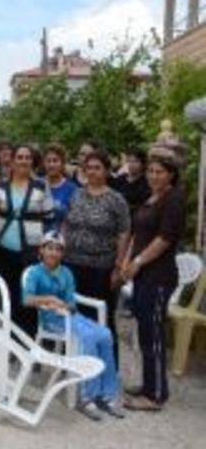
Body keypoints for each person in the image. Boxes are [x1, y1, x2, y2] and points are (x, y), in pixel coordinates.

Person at [23, 232, 124, 421]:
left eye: (58, 249)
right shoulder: (35, 272)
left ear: (62, 253)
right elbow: (27, 299)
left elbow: (71, 302)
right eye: (49, 248)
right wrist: (50, 299)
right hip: (52, 320)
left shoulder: (66, 273)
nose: (53, 253)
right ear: (42, 250)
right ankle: (86, 396)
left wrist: (66, 305)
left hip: (70, 316)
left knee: (104, 334)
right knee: (87, 337)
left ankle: (107, 394)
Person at [121, 149, 186, 412]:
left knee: (154, 335)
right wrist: (127, 259)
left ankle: (156, 395)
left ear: (171, 175)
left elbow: (164, 240)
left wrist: (137, 263)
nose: (153, 175)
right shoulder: (153, 197)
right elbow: (138, 233)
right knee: (145, 332)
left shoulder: (173, 199)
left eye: (159, 172)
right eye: (151, 171)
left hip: (158, 276)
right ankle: (149, 384)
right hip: (143, 276)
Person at [62, 149, 130, 364]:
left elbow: (124, 233)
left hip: (101, 268)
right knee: (74, 314)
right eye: (88, 167)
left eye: (97, 167)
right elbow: (66, 223)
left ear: (107, 171)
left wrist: (119, 266)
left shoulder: (116, 199)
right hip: (72, 264)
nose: (92, 172)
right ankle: (75, 361)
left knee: (101, 317)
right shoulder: (76, 194)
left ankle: (106, 364)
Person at [0, 144, 54, 336]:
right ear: (13, 161)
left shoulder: (41, 187)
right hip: (3, 252)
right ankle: (6, 341)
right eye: (20, 157)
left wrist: (46, 249)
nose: (24, 161)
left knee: (28, 299)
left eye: (27, 157)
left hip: (30, 253)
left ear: (32, 161)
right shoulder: (0, 187)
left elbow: (49, 218)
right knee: (5, 298)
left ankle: (27, 343)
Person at [43, 143, 79, 230]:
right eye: (48, 161)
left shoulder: (72, 189)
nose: (51, 165)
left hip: (63, 238)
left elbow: (76, 218)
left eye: (55, 161)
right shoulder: (36, 185)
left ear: (62, 163)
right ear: (44, 163)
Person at [111, 149, 150, 218]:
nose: (132, 164)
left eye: (135, 161)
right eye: (130, 161)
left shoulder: (145, 182)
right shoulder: (120, 179)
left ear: (142, 164)